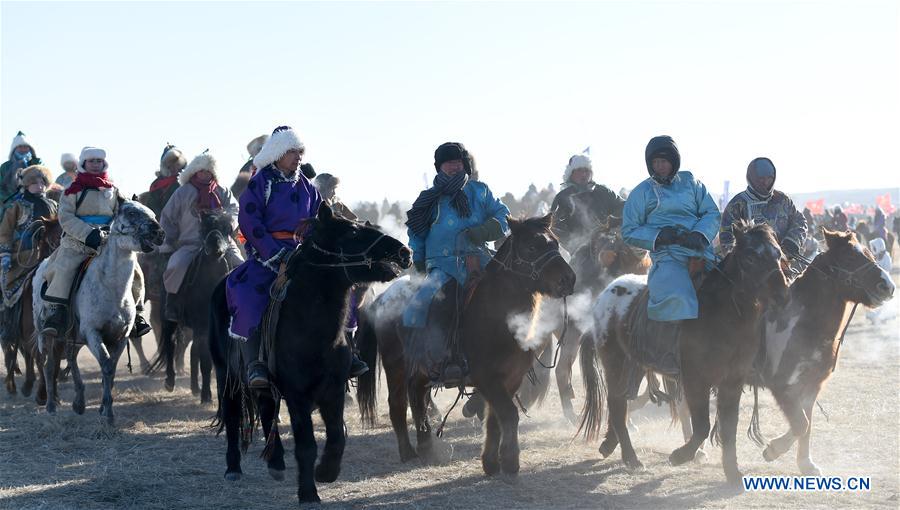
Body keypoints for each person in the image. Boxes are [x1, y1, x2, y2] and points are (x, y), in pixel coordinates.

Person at [225, 126, 327, 389]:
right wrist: (274, 254)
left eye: (300, 151)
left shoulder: (307, 186)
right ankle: (254, 363)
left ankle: (343, 352)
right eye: (292, 151)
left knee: (338, 290)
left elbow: (319, 219)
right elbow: (249, 219)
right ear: (278, 153)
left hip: (303, 254)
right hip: (268, 254)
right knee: (249, 294)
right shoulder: (261, 183)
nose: (298, 157)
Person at [403, 142, 510, 384]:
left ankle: (514, 352)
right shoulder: (428, 199)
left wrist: (482, 231)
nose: (454, 166)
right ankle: (441, 358)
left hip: (479, 259)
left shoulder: (479, 191)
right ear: (439, 167)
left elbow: (503, 214)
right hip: (442, 265)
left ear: (465, 165)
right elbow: (416, 235)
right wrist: (418, 266)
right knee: (425, 305)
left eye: (458, 162)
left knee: (510, 292)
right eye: (448, 162)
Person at [39, 147, 152, 337]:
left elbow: (120, 213)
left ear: (104, 164)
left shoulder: (113, 189)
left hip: (110, 240)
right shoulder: (72, 190)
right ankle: (57, 313)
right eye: (91, 161)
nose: (95, 164)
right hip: (78, 240)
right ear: (83, 164)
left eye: (99, 161)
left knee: (135, 269)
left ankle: (137, 314)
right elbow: (65, 217)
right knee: (64, 267)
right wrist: (88, 233)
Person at [622, 135, 720, 325]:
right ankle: (668, 347)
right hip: (668, 255)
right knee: (678, 296)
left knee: (733, 284)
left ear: (674, 162)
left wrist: (699, 234)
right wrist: (659, 236)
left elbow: (711, 212)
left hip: (701, 252)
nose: (660, 166)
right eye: (656, 162)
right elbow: (629, 230)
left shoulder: (691, 183)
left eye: (664, 161)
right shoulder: (642, 192)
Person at [158, 152, 242, 321]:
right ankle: (172, 304)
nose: (205, 174)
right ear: (194, 172)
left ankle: (243, 305)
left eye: (208, 171)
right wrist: (168, 242)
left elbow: (235, 210)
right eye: (201, 171)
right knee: (175, 266)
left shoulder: (222, 191)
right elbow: (168, 217)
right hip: (191, 243)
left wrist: (228, 223)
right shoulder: (183, 192)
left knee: (241, 265)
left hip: (222, 242)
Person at [719, 157, 807, 259]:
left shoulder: (783, 200)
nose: (765, 182)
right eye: (761, 179)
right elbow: (726, 236)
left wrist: (792, 242)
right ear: (752, 178)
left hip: (783, 261)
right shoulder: (737, 204)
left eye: (769, 178)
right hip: (749, 266)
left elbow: (800, 221)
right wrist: (742, 259)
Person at [0, 165, 57, 308]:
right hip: (22, 256)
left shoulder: (54, 205)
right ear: (26, 185)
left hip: (50, 254)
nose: (40, 186)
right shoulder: (17, 205)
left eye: (43, 183)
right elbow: (5, 231)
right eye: (34, 183)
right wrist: (5, 254)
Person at [549, 153, 624, 253]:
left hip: (608, 246)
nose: (584, 174)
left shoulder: (603, 192)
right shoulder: (562, 198)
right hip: (579, 253)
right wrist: (574, 246)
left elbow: (623, 208)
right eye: (579, 170)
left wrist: (613, 229)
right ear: (571, 173)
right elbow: (555, 226)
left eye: (586, 170)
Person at [1, 131, 43, 218]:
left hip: (35, 200)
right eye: (20, 147)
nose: (23, 149)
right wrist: (10, 202)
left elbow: (45, 180)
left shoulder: (38, 164)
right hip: (9, 203)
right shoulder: (5, 167)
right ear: (14, 149)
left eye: (26, 146)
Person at [140, 144, 187, 219]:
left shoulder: (185, 183)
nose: (173, 168)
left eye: (177, 165)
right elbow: (152, 207)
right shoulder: (156, 185)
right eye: (170, 165)